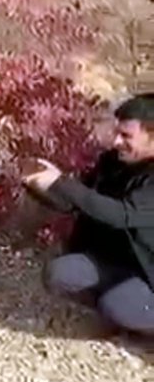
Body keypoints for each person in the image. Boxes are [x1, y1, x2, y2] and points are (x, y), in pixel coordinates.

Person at [22, 92, 154, 337]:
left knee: (116, 305)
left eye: (126, 136)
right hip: (118, 262)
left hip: (149, 271)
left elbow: (122, 215)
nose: (115, 142)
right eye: (116, 133)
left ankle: (129, 312)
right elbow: (78, 202)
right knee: (60, 273)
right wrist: (41, 185)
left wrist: (62, 182)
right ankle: (122, 308)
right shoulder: (113, 162)